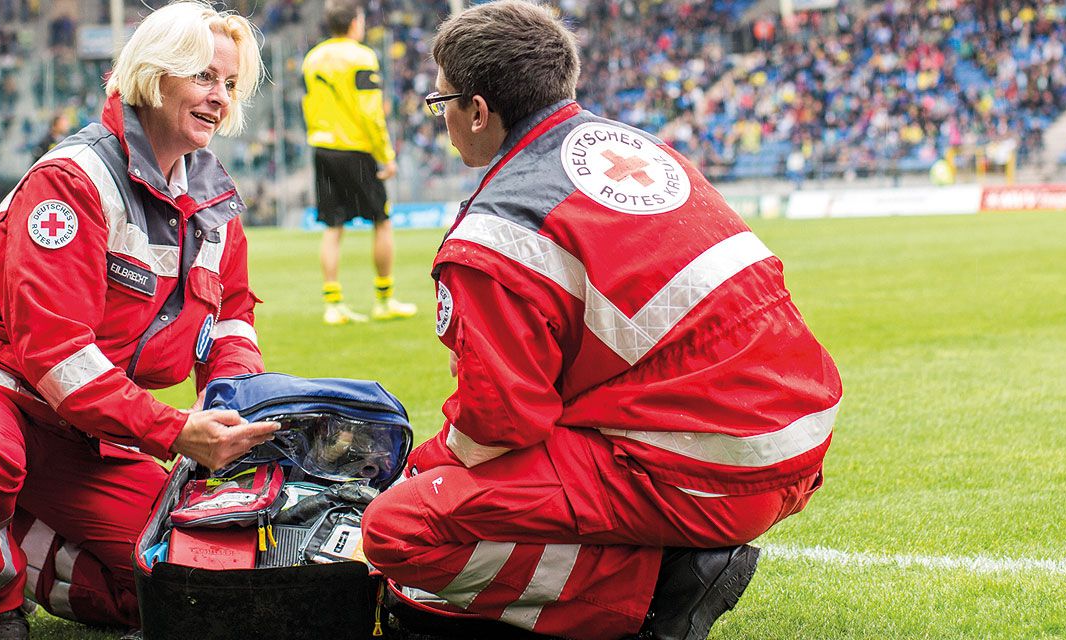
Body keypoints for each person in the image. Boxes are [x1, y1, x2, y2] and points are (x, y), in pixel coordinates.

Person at [361, 3, 842, 640]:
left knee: (400, 526)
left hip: (706, 467)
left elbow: (499, 427)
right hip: (796, 441)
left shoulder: (499, 228)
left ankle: (655, 595)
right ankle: (664, 555)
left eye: (441, 100)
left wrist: (425, 467)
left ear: (478, 110)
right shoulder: (636, 145)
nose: (441, 119)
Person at [0, 4, 279, 639]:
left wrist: (239, 403)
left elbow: (230, 318)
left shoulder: (215, 204)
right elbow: (55, 354)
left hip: (86, 422)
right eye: (204, 77)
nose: (220, 99)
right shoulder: (74, 179)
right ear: (154, 74)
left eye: (230, 85)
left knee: (181, 581)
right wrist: (173, 430)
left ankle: (7, 525)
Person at [303, 0, 416, 325]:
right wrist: (386, 156)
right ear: (355, 22)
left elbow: (308, 104)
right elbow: (370, 113)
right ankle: (384, 298)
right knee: (381, 220)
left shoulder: (313, 58)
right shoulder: (362, 56)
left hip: (323, 147)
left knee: (332, 226)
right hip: (356, 148)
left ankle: (333, 304)